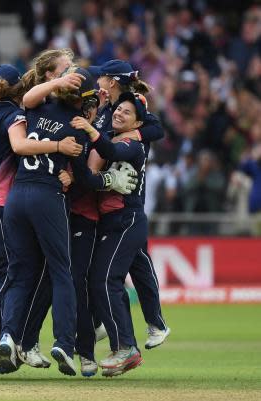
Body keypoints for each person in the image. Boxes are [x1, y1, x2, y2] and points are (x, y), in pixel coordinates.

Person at [0, 68, 138, 376]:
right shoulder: (76, 127)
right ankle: (62, 341)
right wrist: (107, 178)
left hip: (16, 196)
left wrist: (57, 82)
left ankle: (8, 336)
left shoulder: (35, 108)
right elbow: (85, 179)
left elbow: (28, 99)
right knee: (62, 272)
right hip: (47, 197)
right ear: (83, 101)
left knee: (20, 274)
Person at [0, 64, 83, 370]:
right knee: (10, 273)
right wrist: (58, 147)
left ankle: (8, 341)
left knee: (16, 272)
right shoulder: (15, 114)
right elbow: (19, 145)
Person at [88, 59, 170, 349]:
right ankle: (151, 324)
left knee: (130, 264)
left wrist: (134, 134)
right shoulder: (104, 107)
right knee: (136, 259)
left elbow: (156, 129)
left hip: (126, 189)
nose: (98, 82)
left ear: (111, 80)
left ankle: (151, 325)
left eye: (101, 78)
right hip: (109, 196)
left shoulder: (131, 102)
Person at [72, 92, 152, 376]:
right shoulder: (112, 136)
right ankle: (122, 346)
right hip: (112, 222)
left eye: (127, 112)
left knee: (105, 279)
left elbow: (114, 153)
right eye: (118, 109)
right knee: (100, 280)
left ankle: (127, 346)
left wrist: (91, 130)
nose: (118, 114)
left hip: (126, 220)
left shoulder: (131, 142)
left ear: (137, 123)